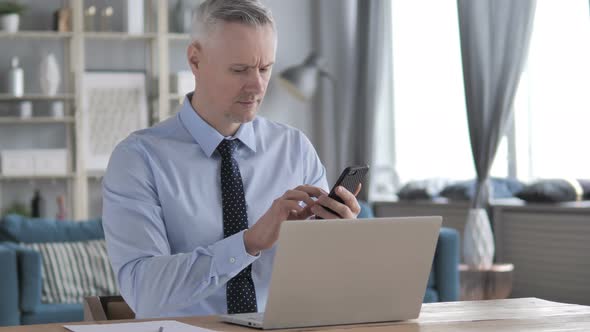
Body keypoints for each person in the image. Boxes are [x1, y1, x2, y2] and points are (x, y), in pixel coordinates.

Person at [102, 0, 361, 319]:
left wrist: (342, 243)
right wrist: (248, 243)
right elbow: (144, 292)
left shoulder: (295, 149)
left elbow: (324, 280)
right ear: (195, 59)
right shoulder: (138, 160)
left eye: (265, 68)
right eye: (239, 70)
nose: (257, 86)